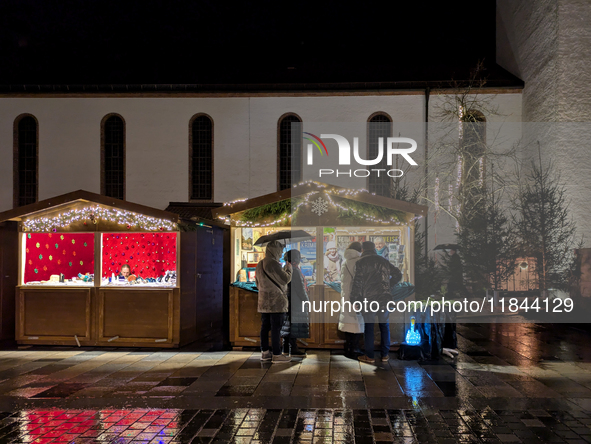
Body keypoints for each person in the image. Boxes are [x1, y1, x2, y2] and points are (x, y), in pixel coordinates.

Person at [350, 241, 402, 364]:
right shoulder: (383, 261)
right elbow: (398, 274)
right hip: (384, 298)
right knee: (384, 326)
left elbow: (358, 283)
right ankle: (385, 355)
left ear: (363, 250)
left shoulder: (361, 263)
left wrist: (354, 299)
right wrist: (389, 285)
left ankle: (370, 356)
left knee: (369, 327)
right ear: (374, 249)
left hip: (368, 300)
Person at [255, 240, 292, 363]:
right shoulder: (274, 264)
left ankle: (265, 353)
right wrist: (288, 269)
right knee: (276, 328)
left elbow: (257, 284)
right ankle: (277, 354)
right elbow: (285, 279)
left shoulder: (259, 264)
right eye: (280, 250)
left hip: (263, 302)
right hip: (276, 302)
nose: (281, 253)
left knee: (265, 327)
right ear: (275, 251)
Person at [338, 242, 365, 359]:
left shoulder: (344, 262)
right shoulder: (360, 261)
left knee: (348, 321)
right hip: (356, 296)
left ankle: (348, 348)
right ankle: (355, 348)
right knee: (357, 322)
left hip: (346, 296)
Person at [280, 249, 309, 357]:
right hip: (295, 301)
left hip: (287, 301)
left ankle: (286, 348)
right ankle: (293, 348)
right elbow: (300, 289)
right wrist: (306, 300)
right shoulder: (295, 270)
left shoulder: (285, 268)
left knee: (287, 325)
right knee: (294, 325)